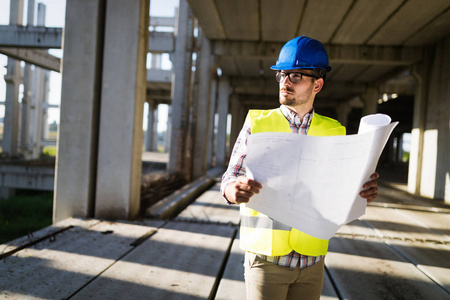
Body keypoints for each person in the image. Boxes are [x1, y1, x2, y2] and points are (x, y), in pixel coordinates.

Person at [220, 36, 380, 300]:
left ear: (317, 84)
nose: (285, 82)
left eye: (296, 76)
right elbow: (230, 176)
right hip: (266, 261)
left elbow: (339, 191)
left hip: (312, 262)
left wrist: (363, 190)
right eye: (282, 74)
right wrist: (231, 190)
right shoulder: (257, 123)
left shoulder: (334, 131)